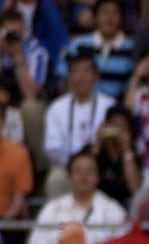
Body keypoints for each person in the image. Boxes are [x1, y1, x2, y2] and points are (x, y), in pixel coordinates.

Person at [28, 149, 128, 244]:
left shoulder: (113, 209)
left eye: (89, 171)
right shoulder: (53, 209)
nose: (83, 177)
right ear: (69, 177)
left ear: (98, 177)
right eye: (78, 171)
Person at [46, 51, 119, 197]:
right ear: (68, 77)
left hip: (100, 165)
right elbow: (53, 148)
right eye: (76, 72)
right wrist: (77, 166)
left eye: (86, 71)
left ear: (96, 76)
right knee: (56, 179)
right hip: (67, 167)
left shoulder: (109, 106)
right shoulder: (56, 108)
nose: (81, 77)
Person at [67, 0, 136, 100]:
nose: (109, 18)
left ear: (121, 18)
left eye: (114, 13)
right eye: (105, 12)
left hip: (117, 106)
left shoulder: (131, 48)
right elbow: (64, 78)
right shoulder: (79, 45)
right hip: (81, 103)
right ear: (95, 17)